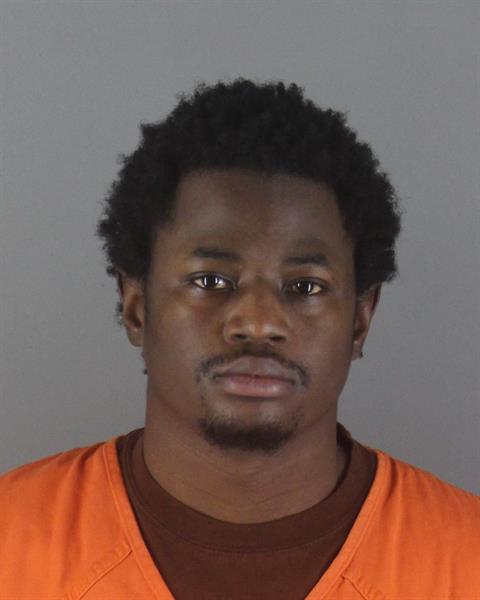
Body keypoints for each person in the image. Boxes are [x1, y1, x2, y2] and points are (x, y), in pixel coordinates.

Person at [1, 78, 478, 600]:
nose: (257, 323)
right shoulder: (11, 540)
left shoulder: (466, 556)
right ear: (137, 307)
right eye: (211, 281)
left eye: (306, 286)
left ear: (360, 321)